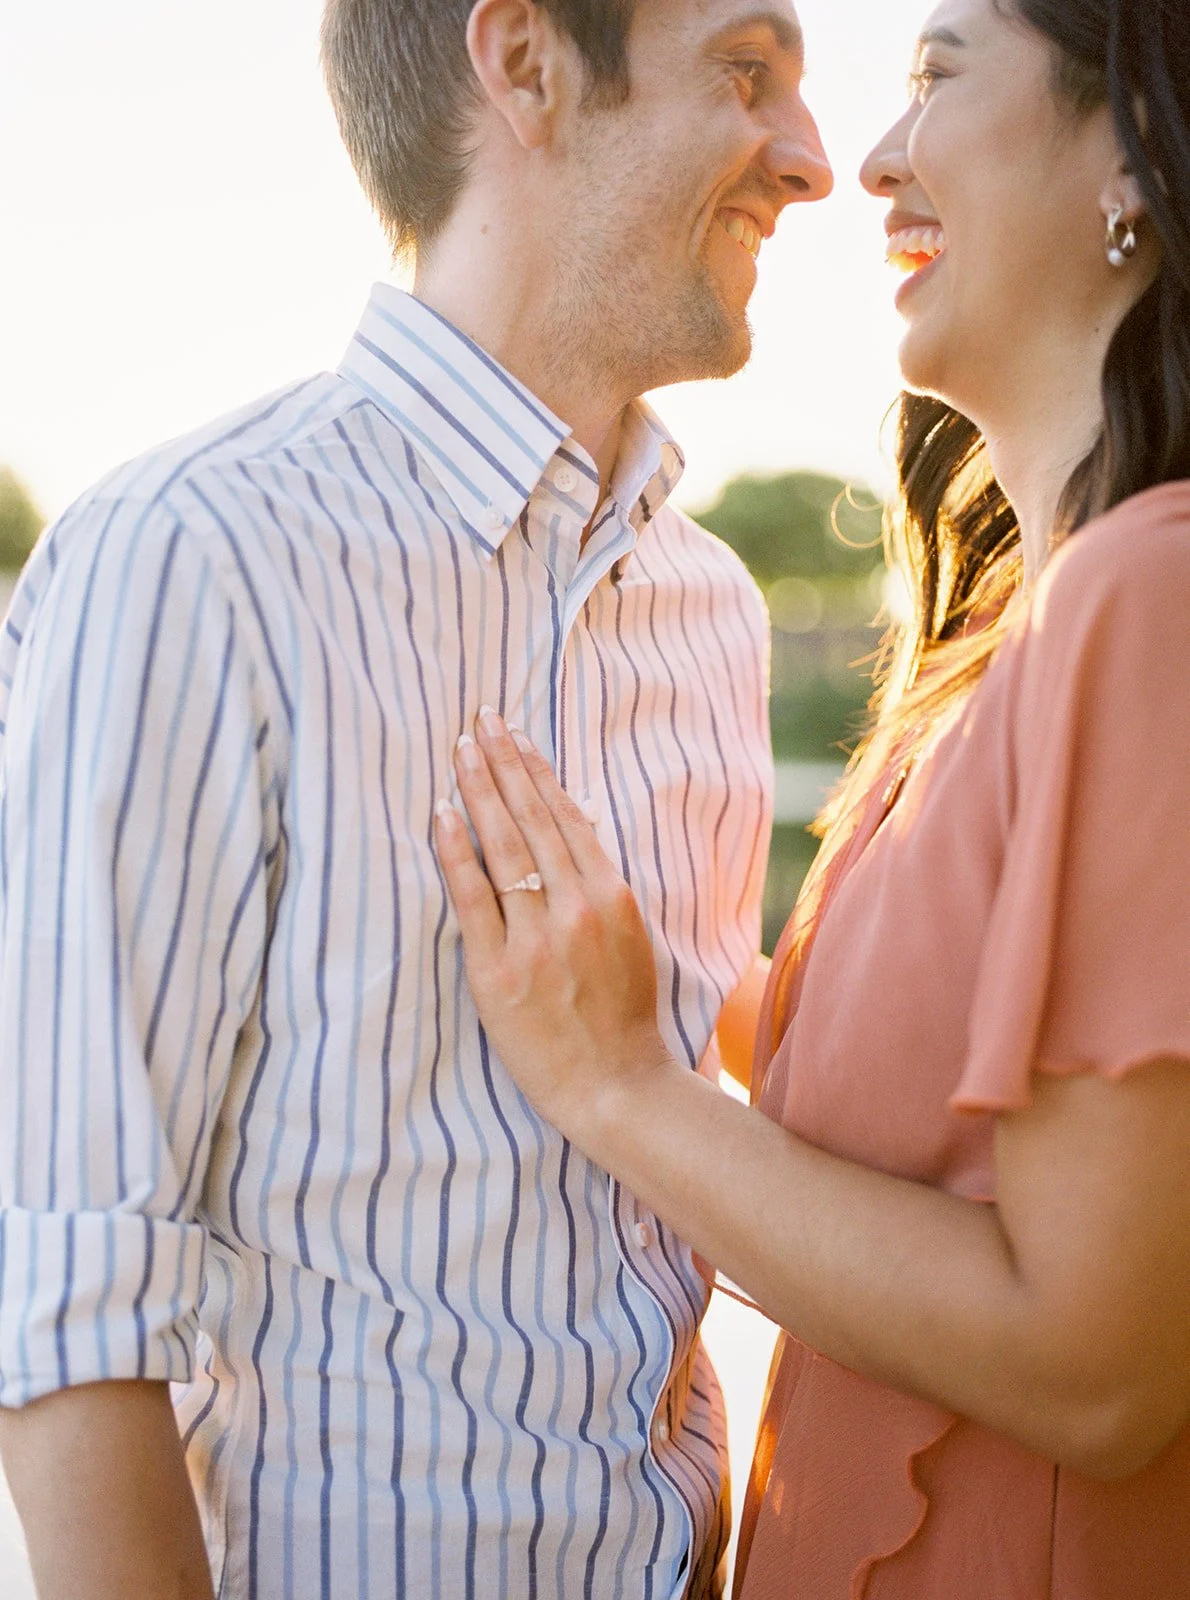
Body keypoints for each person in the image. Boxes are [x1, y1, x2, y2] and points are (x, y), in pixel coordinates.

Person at [0, 2, 833, 1597]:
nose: (806, 160)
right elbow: (68, 1315)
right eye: (746, 72)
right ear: (522, 64)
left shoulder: (710, 608)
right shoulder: (190, 557)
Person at [434, 0, 1190, 1595]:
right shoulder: (1004, 634)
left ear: (1132, 146)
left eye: (932, 75)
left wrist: (621, 1093)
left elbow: (1095, 1371)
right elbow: (936, 1115)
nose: (869, 159)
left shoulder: (1152, 597)